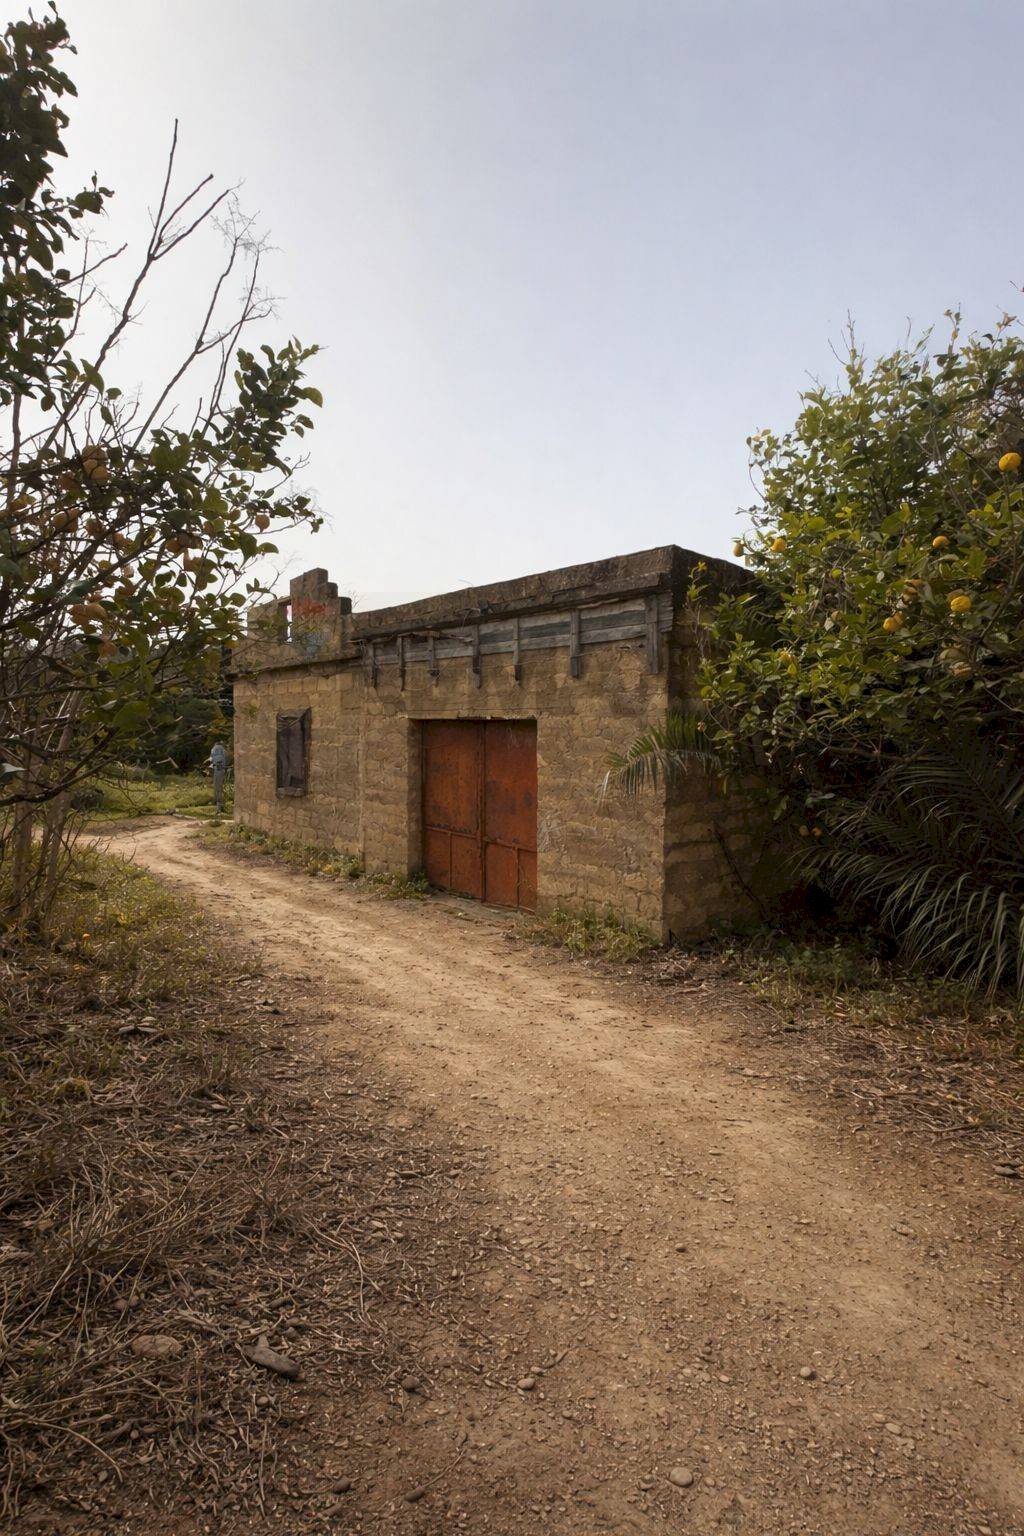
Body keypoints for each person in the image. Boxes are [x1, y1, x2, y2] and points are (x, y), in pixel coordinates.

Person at [208, 740, 228, 814]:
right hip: (222, 770)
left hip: (217, 770)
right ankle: (220, 807)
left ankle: (218, 808)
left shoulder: (214, 749)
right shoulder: (223, 750)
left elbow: (211, 760)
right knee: (220, 789)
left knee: (217, 789)